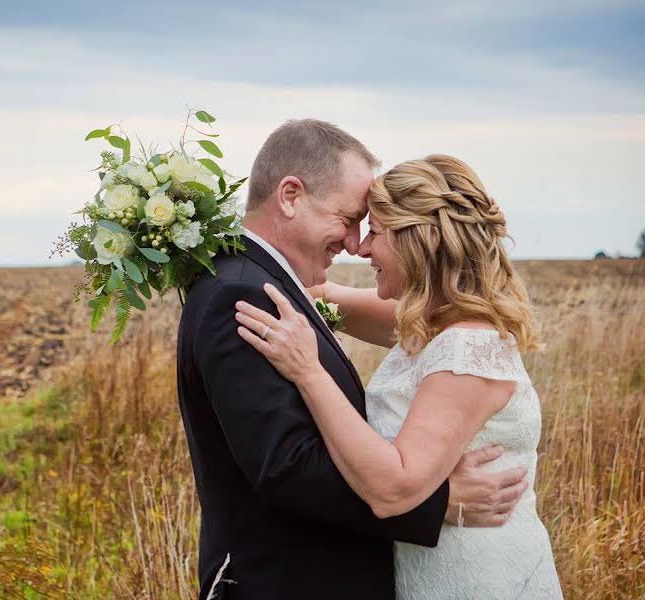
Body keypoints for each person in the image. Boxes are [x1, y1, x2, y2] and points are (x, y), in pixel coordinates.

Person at [176, 120, 530, 600]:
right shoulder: (245, 292)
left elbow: (322, 299)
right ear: (290, 196)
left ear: (422, 241)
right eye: (349, 219)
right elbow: (287, 466)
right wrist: (438, 502)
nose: (355, 244)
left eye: (372, 230)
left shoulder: (455, 335)